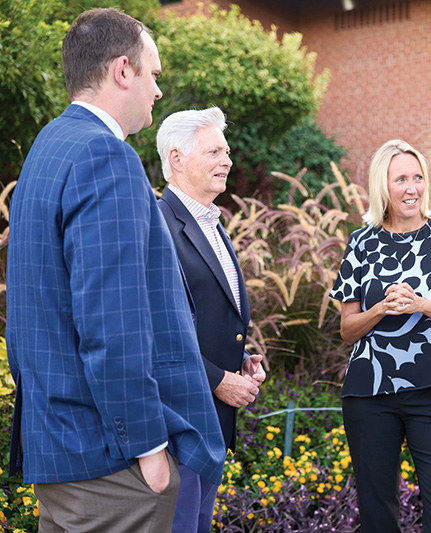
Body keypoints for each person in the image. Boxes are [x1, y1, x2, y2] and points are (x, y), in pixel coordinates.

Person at [5, 8, 226, 532]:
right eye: (153, 74)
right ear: (122, 71)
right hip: (112, 464)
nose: (157, 90)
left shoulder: (48, 147)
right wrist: (148, 449)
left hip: (60, 448)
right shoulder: (108, 157)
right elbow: (112, 319)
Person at [329, 139, 431, 533]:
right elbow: (347, 330)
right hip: (370, 395)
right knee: (377, 515)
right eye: (400, 178)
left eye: (418, 177)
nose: (412, 188)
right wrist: (381, 309)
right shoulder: (361, 243)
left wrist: (422, 305)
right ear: (382, 185)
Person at [156, 106, 267, 533]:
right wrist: (218, 378)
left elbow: (204, 314)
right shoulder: (159, 225)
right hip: (177, 425)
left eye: (227, 150)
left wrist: (238, 362)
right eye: (214, 151)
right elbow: (155, 329)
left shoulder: (213, 225)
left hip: (211, 425)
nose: (228, 161)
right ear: (177, 158)